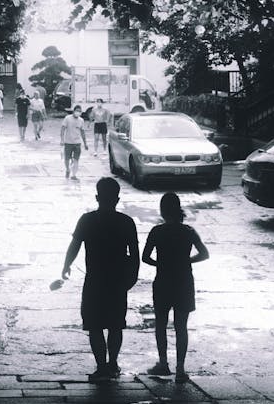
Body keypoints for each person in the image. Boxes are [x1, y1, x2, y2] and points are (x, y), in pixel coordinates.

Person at [61, 176, 139, 382]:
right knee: (115, 325)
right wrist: (132, 277)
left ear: (97, 197)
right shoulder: (126, 222)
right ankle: (113, 363)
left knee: (94, 325)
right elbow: (135, 254)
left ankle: (101, 366)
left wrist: (66, 266)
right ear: (117, 199)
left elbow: (74, 246)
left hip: (94, 280)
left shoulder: (87, 220)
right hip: (117, 281)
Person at [142, 192, 210, 383]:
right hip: (184, 281)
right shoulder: (188, 231)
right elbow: (204, 254)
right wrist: (186, 260)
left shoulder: (157, 231)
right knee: (181, 326)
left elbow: (145, 257)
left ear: (162, 211)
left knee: (161, 324)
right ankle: (180, 369)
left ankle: (163, 363)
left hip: (163, 280)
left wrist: (162, 264)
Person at [60, 104, 89, 179]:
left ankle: (74, 175)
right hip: (68, 142)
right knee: (67, 159)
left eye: (80, 111)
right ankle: (67, 169)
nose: (78, 112)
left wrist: (85, 143)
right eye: (77, 111)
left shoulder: (81, 120)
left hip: (77, 143)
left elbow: (82, 132)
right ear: (73, 111)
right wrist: (62, 140)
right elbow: (63, 129)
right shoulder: (67, 118)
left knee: (76, 159)